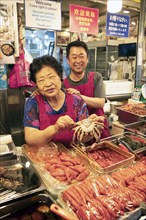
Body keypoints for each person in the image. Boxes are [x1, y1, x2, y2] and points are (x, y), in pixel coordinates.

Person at [23, 55, 103, 147]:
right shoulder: (33, 103)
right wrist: (55, 129)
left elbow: (83, 138)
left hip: (74, 156)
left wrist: (91, 131)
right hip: (45, 157)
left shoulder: (76, 100)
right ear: (36, 84)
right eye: (41, 80)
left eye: (51, 77)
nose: (48, 84)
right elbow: (30, 139)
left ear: (60, 77)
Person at [63, 40, 110, 139]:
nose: (78, 60)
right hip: (77, 134)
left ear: (87, 58)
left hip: (99, 130)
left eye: (81, 56)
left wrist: (79, 97)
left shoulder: (96, 77)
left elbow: (101, 102)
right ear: (68, 60)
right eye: (74, 57)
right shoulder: (63, 85)